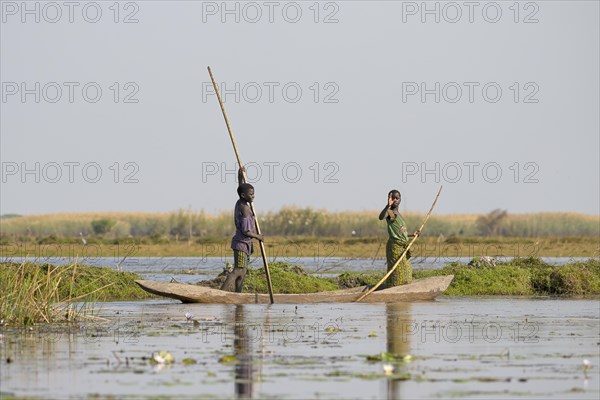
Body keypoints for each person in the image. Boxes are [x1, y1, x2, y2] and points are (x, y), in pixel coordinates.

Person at [220, 168, 264, 293]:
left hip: (245, 245)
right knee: (238, 270)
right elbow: (245, 231)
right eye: (251, 194)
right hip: (241, 243)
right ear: (245, 196)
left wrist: (240, 176)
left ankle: (238, 295)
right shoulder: (244, 208)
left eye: (254, 193)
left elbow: (241, 189)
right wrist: (258, 236)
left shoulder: (242, 201)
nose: (253, 196)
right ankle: (220, 293)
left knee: (243, 271)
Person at [378, 190, 419, 287]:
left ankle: (401, 289)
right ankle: (394, 288)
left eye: (397, 198)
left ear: (400, 199)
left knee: (407, 269)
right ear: (389, 199)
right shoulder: (389, 212)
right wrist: (387, 205)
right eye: (393, 198)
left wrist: (412, 235)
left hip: (402, 247)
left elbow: (401, 232)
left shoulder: (398, 213)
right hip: (395, 247)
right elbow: (381, 217)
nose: (395, 200)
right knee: (397, 270)